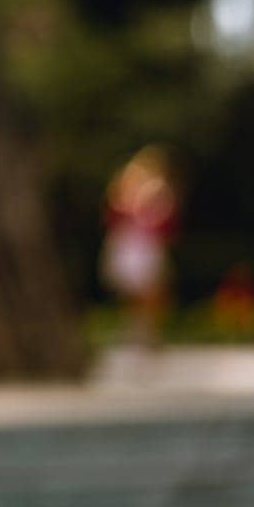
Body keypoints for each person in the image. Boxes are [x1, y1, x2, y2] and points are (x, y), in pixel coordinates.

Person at [99, 145, 179, 352]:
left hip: (146, 248)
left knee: (152, 293)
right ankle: (138, 331)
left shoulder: (160, 193)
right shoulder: (123, 194)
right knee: (135, 294)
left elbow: (166, 225)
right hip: (130, 248)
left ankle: (148, 332)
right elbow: (112, 218)